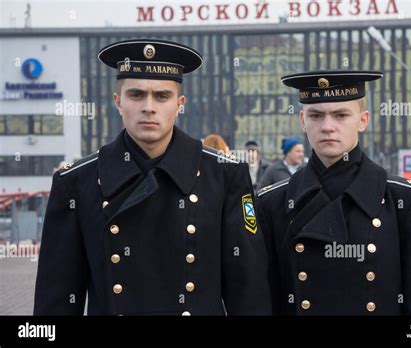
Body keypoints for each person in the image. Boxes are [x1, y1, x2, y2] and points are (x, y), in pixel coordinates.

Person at [34, 39, 271, 316]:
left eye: (161, 96)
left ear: (179, 103)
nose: (149, 107)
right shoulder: (75, 182)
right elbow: (57, 297)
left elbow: (248, 288)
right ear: (117, 102)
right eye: (136, 95)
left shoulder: (225, 175)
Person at [257, 70, 411, 315]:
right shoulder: (272, 202)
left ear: (363, 120)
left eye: (341, 115)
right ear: (302, 120)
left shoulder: (406, 200)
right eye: (316, 115)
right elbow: (260, 299)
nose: (327, 127)